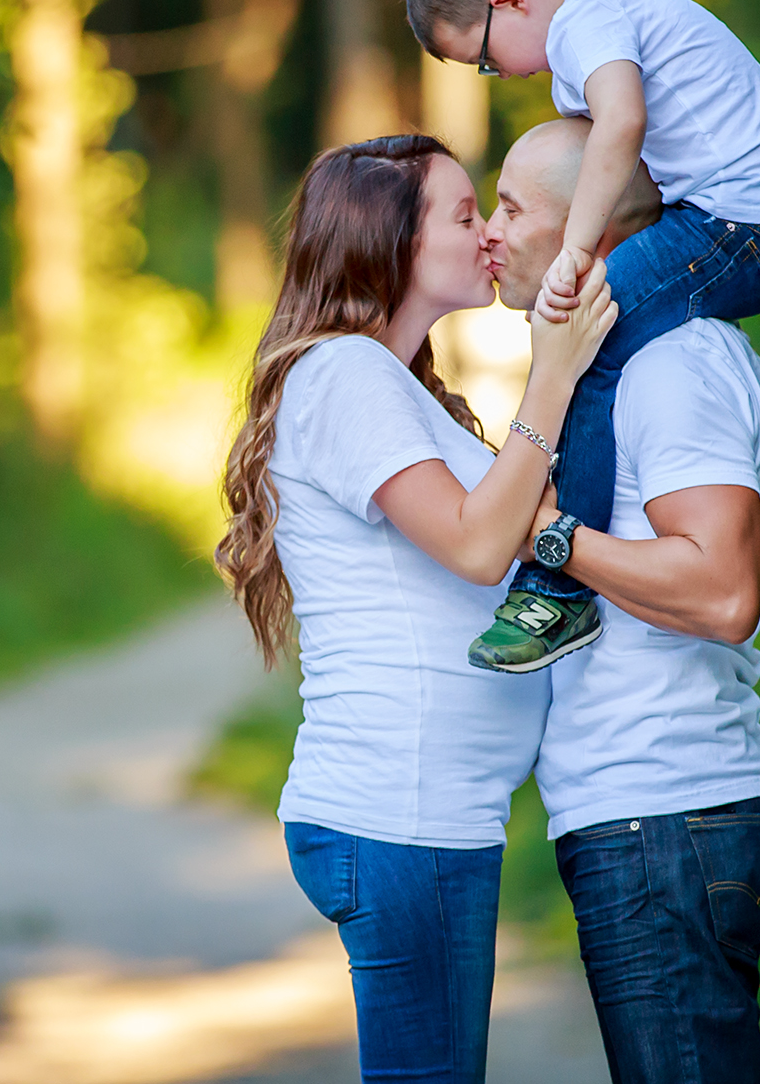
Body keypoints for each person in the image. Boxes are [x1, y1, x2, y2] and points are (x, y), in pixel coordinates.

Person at [215, 134, 614, 1084]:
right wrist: (550, 373)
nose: (486, 236)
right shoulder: (346, 376)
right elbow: (480, 545)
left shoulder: (396, 385)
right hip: (404, 817)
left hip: (429, 820)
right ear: (391, 243)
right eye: (465, 214)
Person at [403, 0, 760, 672]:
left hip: (747, 225)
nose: (504, 76)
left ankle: (558, 586)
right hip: (729, 217)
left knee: (592, 333)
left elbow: (621, 125)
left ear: (508, 1)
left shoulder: (588, 17)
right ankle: (561, 565)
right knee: (588, 326)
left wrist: (572, 252)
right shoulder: (588, 23)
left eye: (486, 62)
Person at [494, 118, 760, 1084]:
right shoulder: (631, 361)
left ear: (588, 227)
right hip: (649, 816)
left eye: (510, 207)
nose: (491, 231)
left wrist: (554, 538)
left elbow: (721, 587)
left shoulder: (673, 365)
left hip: (663, 813)